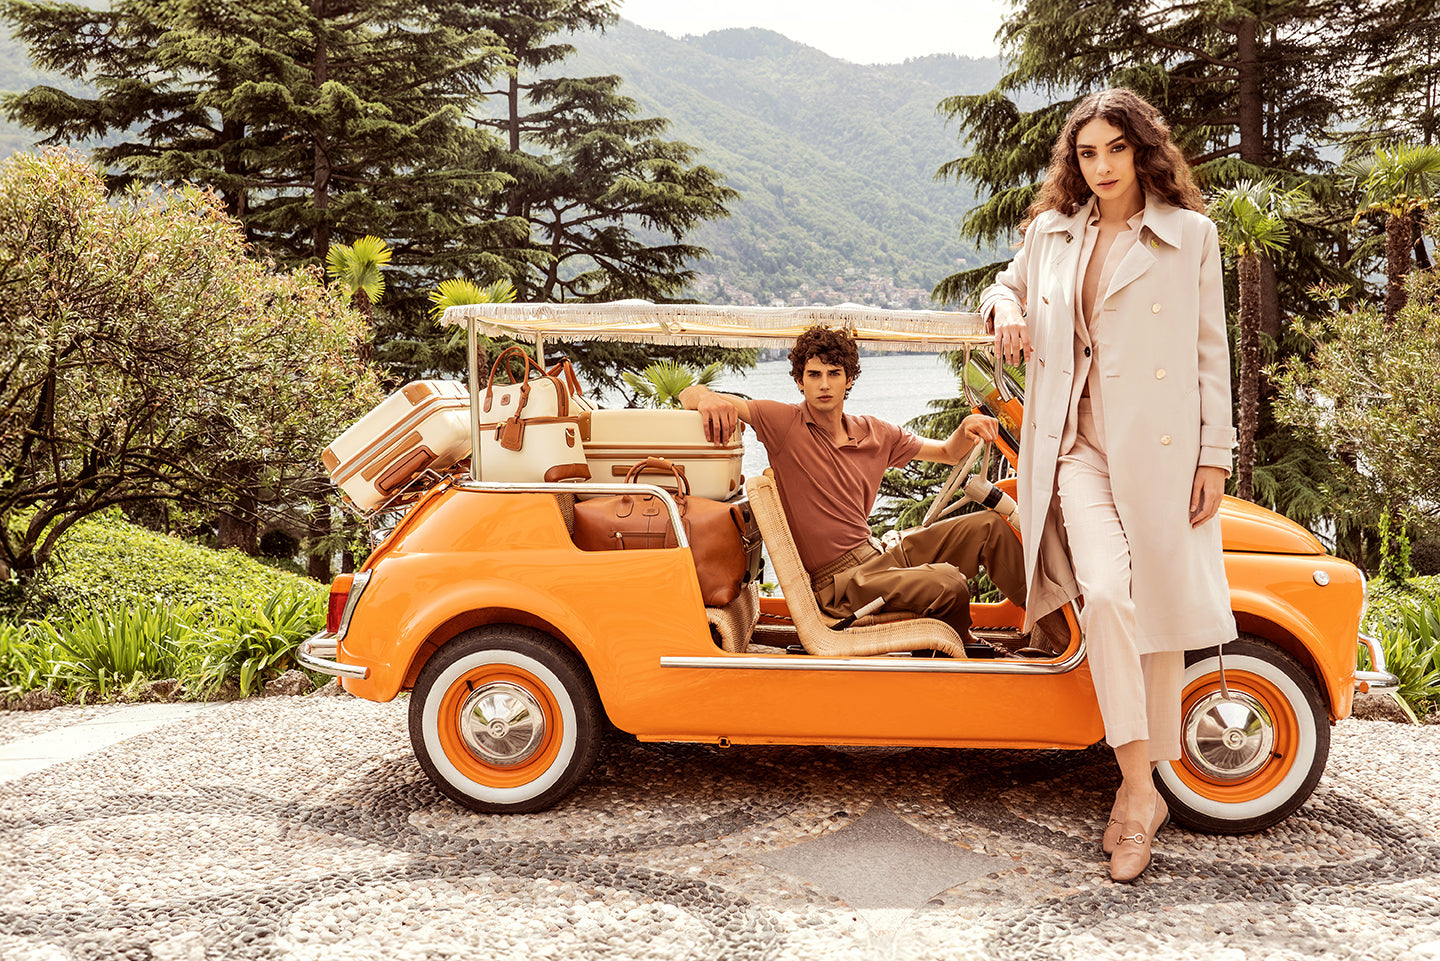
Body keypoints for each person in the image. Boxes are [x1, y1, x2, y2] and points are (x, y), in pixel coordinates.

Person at [981, 88, 1237, 882]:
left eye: (1114, 150)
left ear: (1142, 150)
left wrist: (1214, 453)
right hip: (1072, 447)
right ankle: (1139, 789)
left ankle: (1139, 802)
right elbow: (1005, 283)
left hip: (1158, 450)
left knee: (1154, 613)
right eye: (1086, 154)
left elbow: (1209, 352)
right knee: (1110, 593)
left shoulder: (1190, 235)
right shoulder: (1052, 233)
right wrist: (1001, 308)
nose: (1101, 167)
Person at [679, 325, 1066, 654]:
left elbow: (948, 453)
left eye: (834, 373)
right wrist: (709, 398)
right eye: (814, 375)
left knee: (990, 527)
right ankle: (962, 649)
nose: (824, 384)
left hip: (878, 557)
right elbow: (689, 395)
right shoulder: (785, 424)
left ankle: (1061, 639)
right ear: (800, 381)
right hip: (840, 586)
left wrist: (967, 427)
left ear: (849, 378)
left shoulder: (875, 432)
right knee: (949, 583)